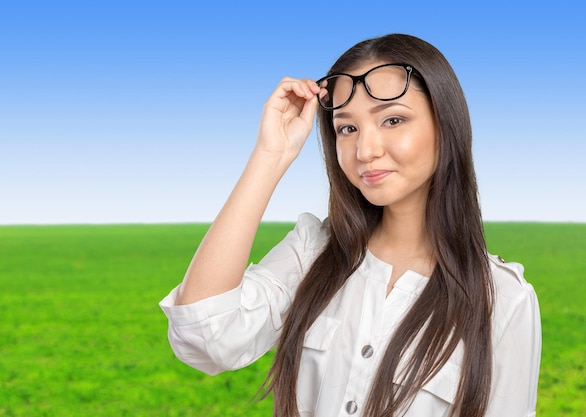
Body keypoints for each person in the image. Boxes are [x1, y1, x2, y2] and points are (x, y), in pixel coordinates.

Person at [159, 33, 542, 417]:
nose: (366, 150)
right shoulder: (313, 252)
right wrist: (270, 156)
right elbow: (205, 336)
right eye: (347, 128)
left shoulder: (504, 302)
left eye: (393, 119)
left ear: (446, 125)